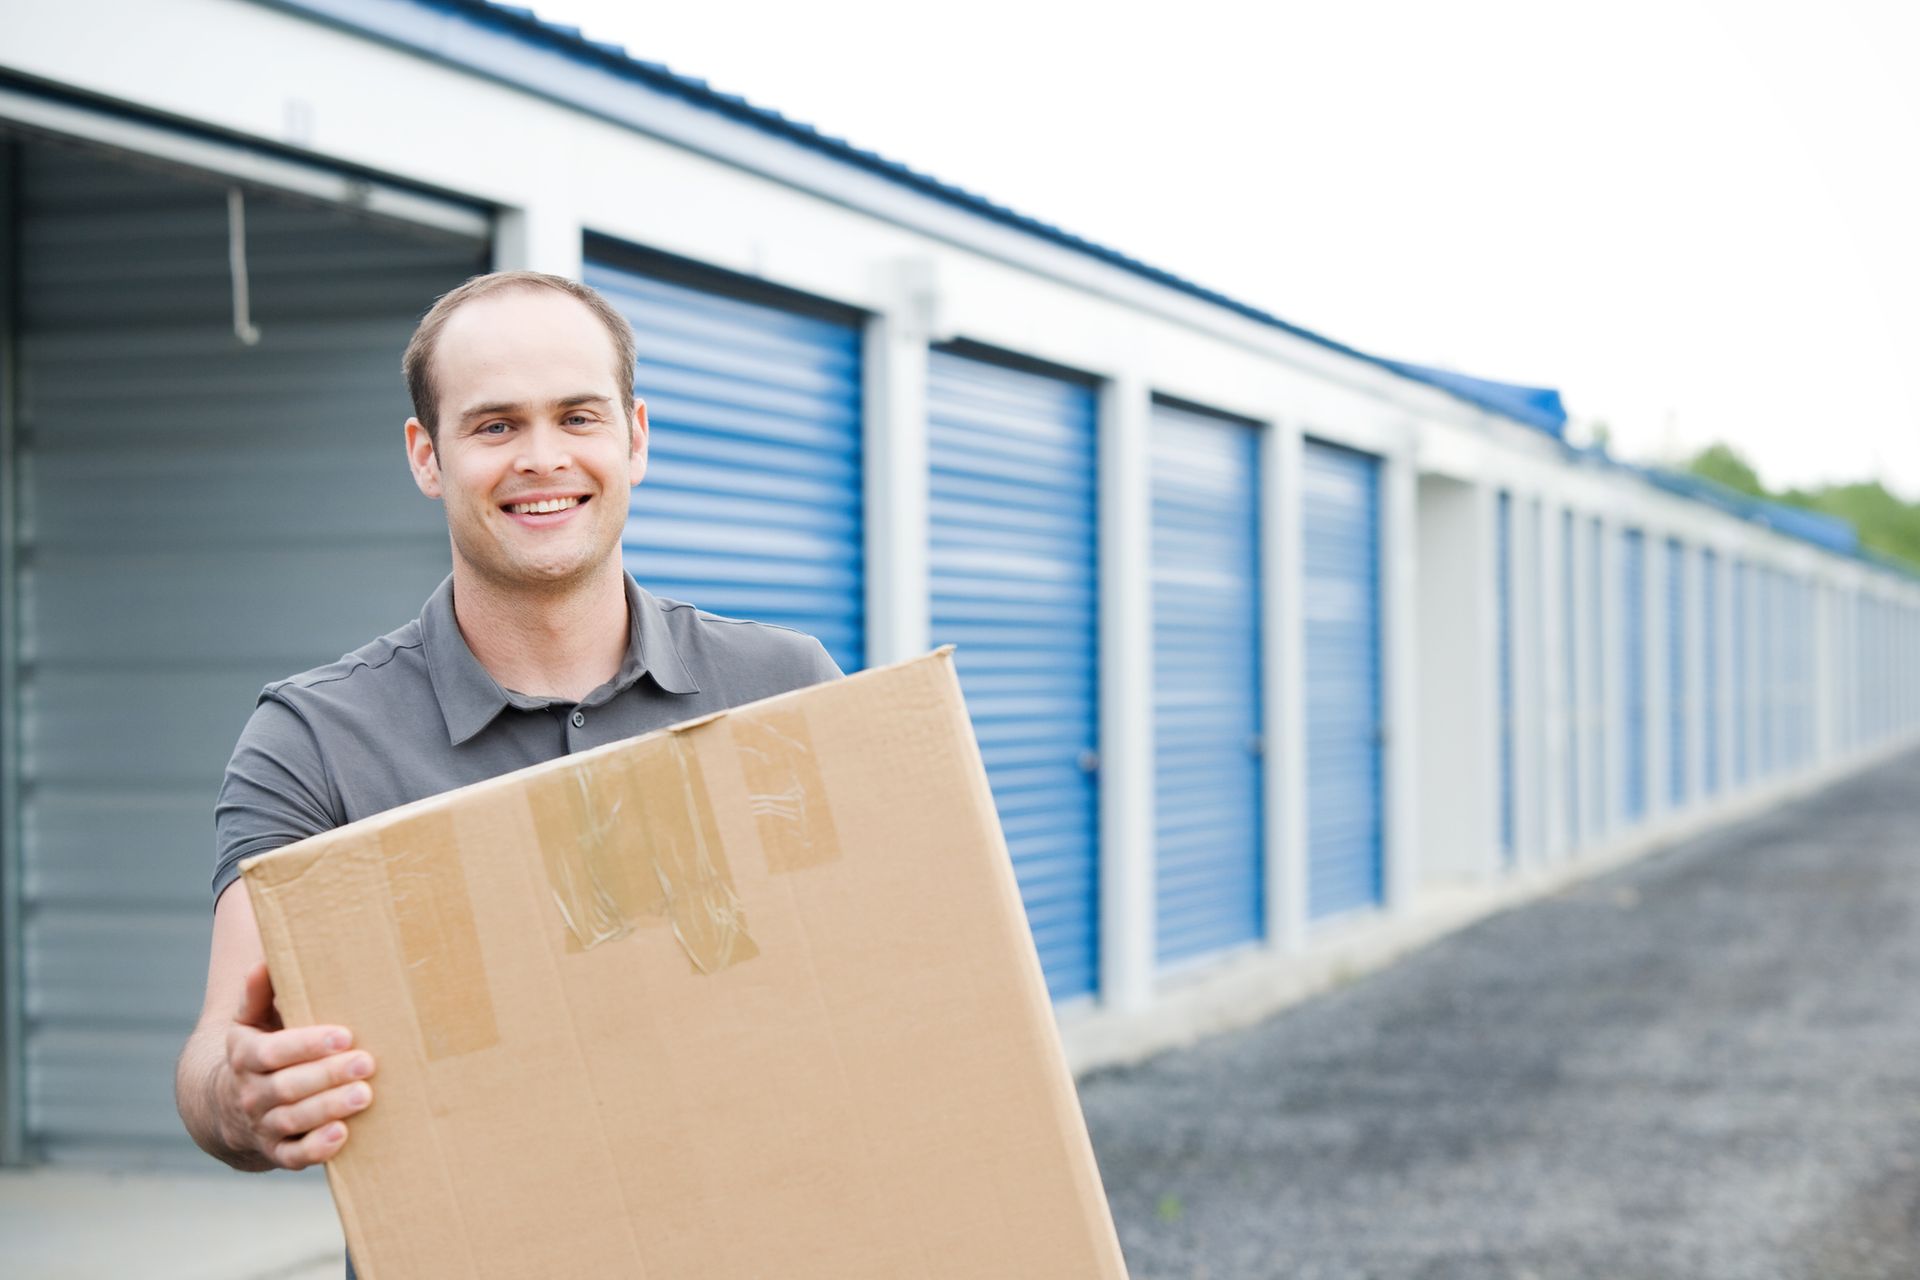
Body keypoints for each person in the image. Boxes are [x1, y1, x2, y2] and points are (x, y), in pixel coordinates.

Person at [172, 271, 842, 1197]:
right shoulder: (318, 739)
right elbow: (217, 1052)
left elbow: (877, 970)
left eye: (578, 417)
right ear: (426, 455)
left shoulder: (785, 690)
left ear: (635, 438)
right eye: (495, 426)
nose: (542, 458)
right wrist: (242, 1098)